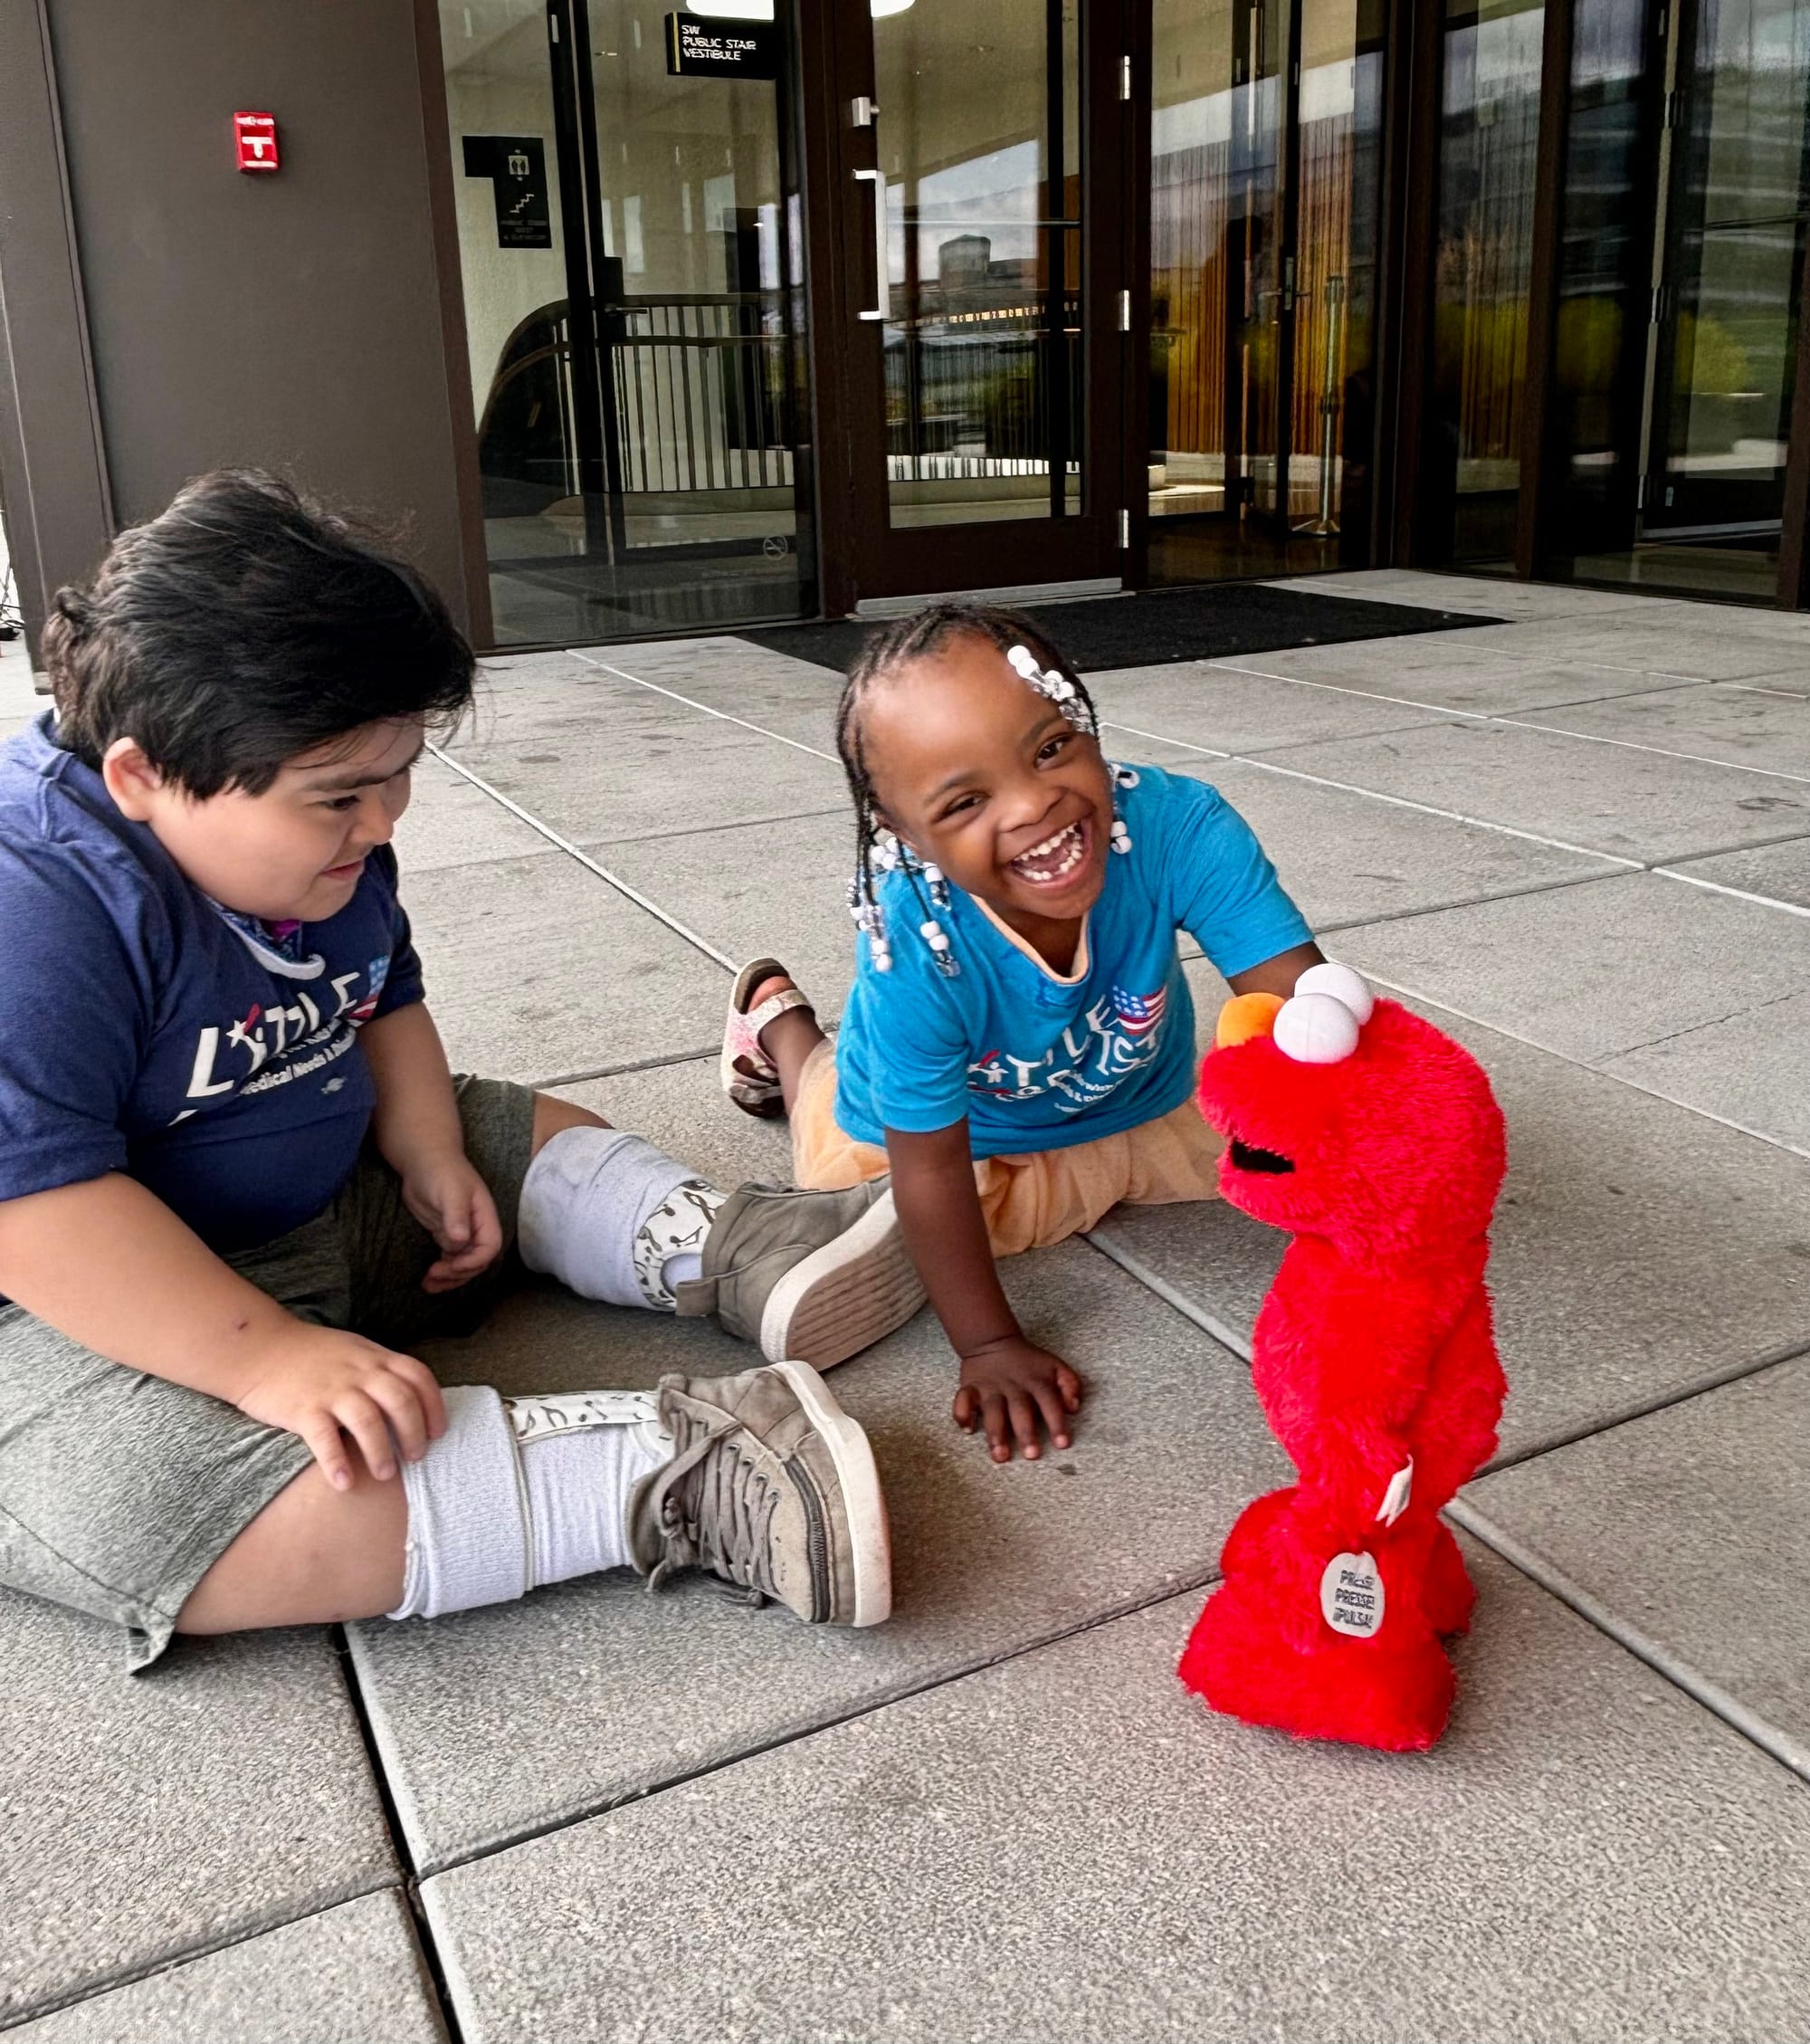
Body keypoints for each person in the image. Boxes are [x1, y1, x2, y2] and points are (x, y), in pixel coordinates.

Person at [0, 471, 915, 1671]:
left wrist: (429, 1146)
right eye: (342, 794)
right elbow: (37, 1209)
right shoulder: (42, 903)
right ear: (140, 779)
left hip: (325, 1191)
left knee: (500, 1125)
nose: (384, 821)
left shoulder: (332, 837)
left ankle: (729, 1243)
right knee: (132, 1509)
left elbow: (387, 995)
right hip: (86, 1298)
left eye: (401, 773)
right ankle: (680, 1467)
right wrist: (263, 1355)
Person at [720, 602, 1323, 1467]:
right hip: (960, 1142)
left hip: (1135, 1100)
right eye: (966, 801)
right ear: (902, 832)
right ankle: (785, 1027)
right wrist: (989, 1345)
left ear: (1080, 711)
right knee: (865, 1178)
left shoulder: (1180, 825)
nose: (1037, 805)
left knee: (1280, 1154)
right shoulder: (912, 945)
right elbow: (928, 1165)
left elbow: (1303, 1012)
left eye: (1050, 747)